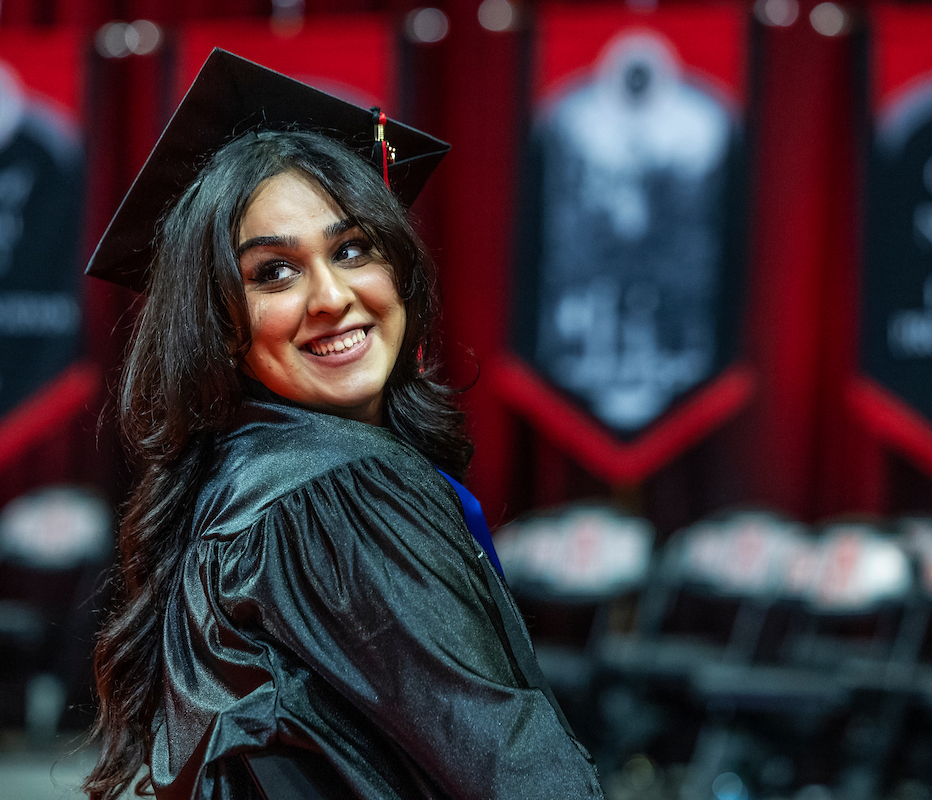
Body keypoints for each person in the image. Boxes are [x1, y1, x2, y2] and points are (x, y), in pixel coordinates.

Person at [82, 50, 603, 800]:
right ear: (219, 324)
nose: (331, 296)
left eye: (352, 249)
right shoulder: (337, 492)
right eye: (274, 272)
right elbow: (509, 769)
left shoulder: (241, 481)